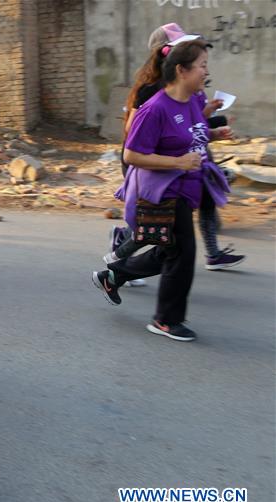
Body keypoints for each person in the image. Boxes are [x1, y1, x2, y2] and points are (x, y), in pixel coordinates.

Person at [92, 39, 231, 343]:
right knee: (183, 252)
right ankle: (166, 320)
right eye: (202, 66)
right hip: (165, 190)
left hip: (189, 187)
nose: (206, 72)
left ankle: (113, 275)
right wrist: (178, 162)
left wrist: (215, 133)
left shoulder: (194, 101)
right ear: (181, 70)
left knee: (169, 250)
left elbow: (193, 133)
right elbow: (131, 155)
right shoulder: (154, 108)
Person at [108, 23, 244, 273]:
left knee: (177, 234)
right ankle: (120, 261)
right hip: (155, 167)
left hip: (186, 165)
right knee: (158, 232)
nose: (203, 68)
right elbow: (134, 137)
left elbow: (190, 125)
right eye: (185, 49)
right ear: (167, 54)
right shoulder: (151, 93)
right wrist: (175, 158)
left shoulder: (186, 91)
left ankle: (209, 255)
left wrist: (210, 126)